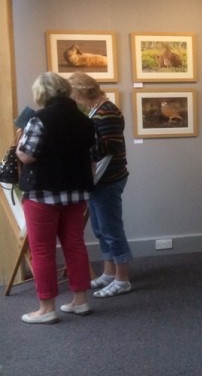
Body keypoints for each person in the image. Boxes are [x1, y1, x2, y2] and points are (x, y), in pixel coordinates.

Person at [15, 72, 96, 323]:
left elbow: (27, 156)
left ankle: (46, 308)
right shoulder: (85, 121)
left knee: (42, 250)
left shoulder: (39, 119)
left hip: (42, 193)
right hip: (77, 192)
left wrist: (19, 145)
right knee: (75, 245)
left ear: (42, 94)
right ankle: (80, 301)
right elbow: (92, 158)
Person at [69, 72, 132, 298]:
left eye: (73, 94)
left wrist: (80, 144)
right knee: (100, 229)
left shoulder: (106, 112)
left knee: (111, 229)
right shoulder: (98, 110)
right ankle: (109, 272)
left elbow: (111, 147)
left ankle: (122, 279)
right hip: (101, 179)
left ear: (80, 92)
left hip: (108, 178)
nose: (72, 99)